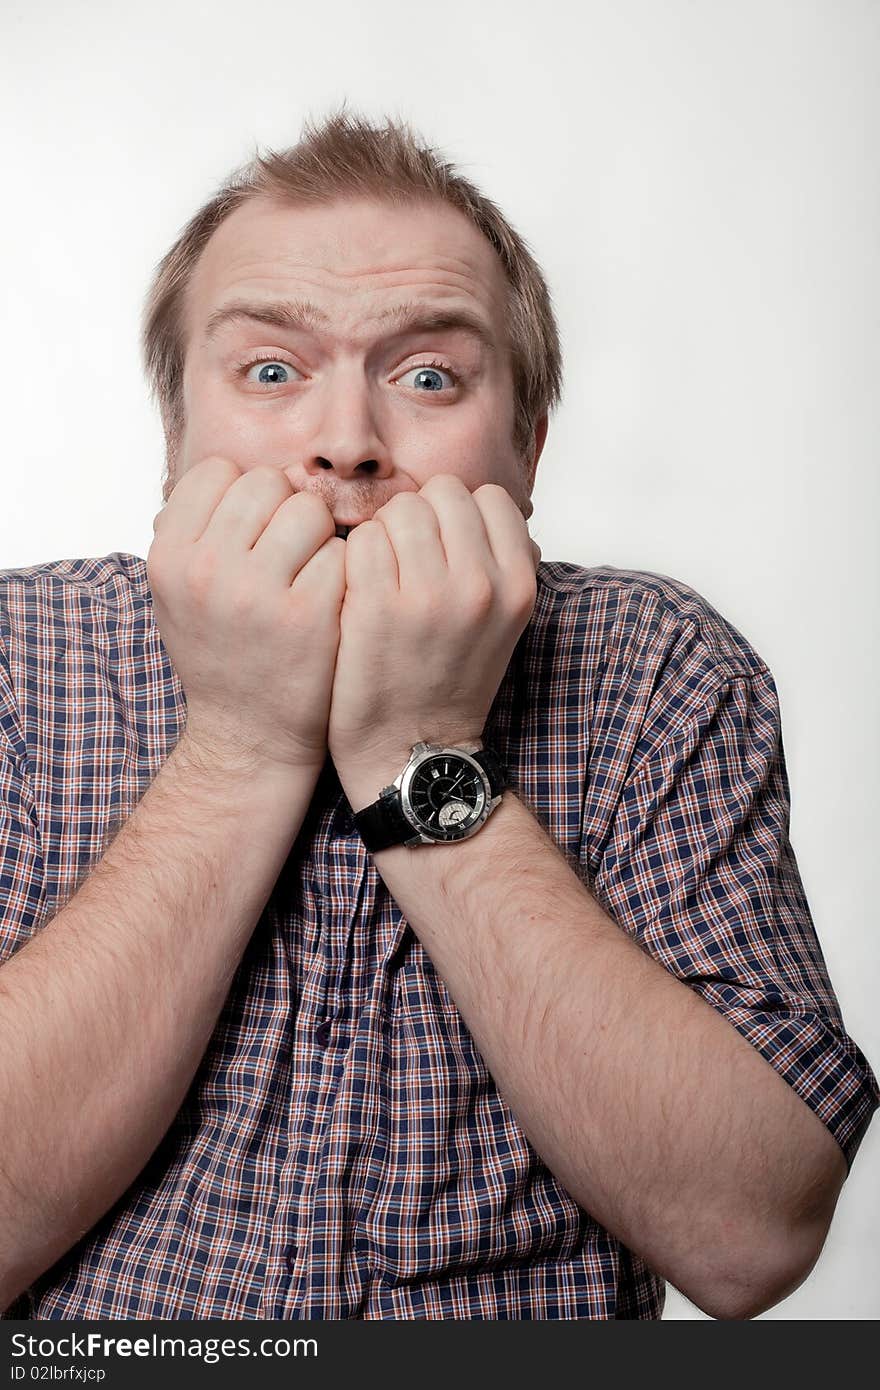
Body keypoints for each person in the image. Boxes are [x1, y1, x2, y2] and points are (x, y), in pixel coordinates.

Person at [0, 109, 876, 1323]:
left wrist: (419, 759)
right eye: (270, 371)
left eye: (427, 377)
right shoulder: (19, 658)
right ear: (173, 440)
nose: (348, 445)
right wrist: (244, 745)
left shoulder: (661, 671)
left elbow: (749, 1235)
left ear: (526, 445)